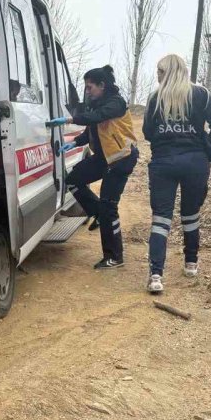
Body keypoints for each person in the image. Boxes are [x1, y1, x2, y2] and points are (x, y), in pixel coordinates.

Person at [142, 54, 211, 294]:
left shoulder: (154, 99)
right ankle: (191, 263)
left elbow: (148, 132)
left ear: (167, 72)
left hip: (163, 162)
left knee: (161, 219)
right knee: (190, 214)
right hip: (195, 162)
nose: (157, 76)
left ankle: (156, 275)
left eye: (160, 71)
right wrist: (206, 141)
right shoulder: (200, 94)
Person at [62, 65, 139, 269]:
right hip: (104, 157)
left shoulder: (116, 103)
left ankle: (114, 257)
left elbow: (97, 118)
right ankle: (95, 211)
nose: (87, 91)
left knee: (108, 207)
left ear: (102, 85)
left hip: (121, 158)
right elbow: (91, 132)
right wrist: (75, 142)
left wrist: (71, 118)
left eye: (90, 87)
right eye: (86, 88)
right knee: (73, 180)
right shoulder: (96, 104)